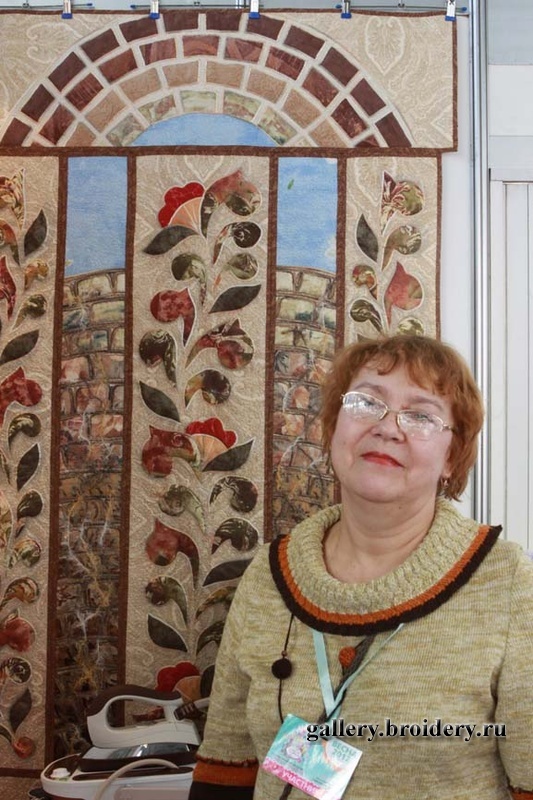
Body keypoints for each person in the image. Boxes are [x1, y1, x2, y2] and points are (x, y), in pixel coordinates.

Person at [189, 334, 533, 800]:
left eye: (421, 415)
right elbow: (225, 770)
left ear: (451, 458)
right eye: (367, 403)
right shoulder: (268, 575)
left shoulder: (508, 582)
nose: (388, 428)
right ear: (334, 429)